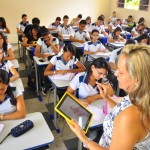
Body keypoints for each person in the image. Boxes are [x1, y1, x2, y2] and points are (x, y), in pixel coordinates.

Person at [67, 44, 150, 149]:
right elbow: (121, 109)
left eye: (121, 71)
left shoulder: (130, 117)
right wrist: (106, 98)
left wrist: (83, 138)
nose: (115, 74)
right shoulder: (137, 97)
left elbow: (126, 115)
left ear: (136, 79)